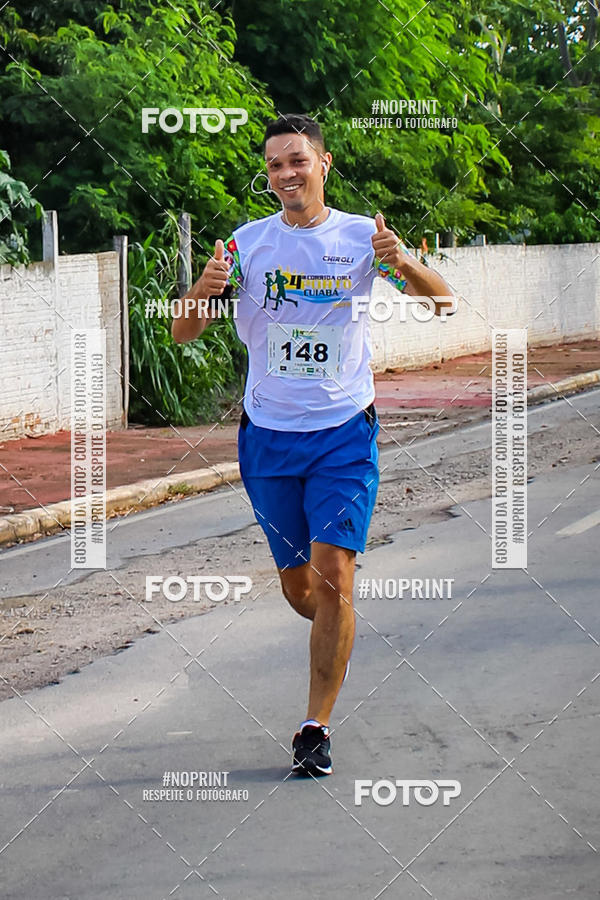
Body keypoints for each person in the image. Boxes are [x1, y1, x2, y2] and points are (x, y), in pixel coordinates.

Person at [172, 113, 454, 777]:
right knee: (303, 590)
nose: (286, 174)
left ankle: (314, 728)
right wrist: (202, 292)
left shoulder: (362, 239)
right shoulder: (245, 246)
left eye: (297, 160)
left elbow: (442, 304)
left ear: (323, 164)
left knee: (334, 577)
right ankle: (339, 621)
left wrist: (404, 262)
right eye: (274, 166)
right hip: (268, 437)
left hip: (343, 434)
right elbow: (184, 333)